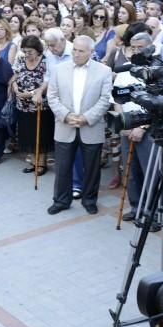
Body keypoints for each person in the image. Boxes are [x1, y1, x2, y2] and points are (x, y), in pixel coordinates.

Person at [46, 35, 113, 215]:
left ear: (91, 52)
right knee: (62, 167)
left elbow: (105, 99)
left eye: (81, 51)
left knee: (91, 168)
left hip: (91, 126)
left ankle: (89, 200)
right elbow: (52, 96)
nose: (76, 54)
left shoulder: (104, 71)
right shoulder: (59, 70)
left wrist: (86, 117)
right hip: (64, 125)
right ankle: (60, 200)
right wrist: (66, 116)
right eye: (74, 49)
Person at [12, 36, 53, 175]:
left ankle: (41, 163)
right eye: (25, 51)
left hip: (40, 105)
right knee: (28, 134)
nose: (27, 54)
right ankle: (33, 161)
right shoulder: (21, 59)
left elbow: (48, 83)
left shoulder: (45, 61)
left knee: (40, 134)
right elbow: (15, 76)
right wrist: (16, 88)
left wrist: (30, 94)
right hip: (22, 105)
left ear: (37, 50)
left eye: (30, 51)